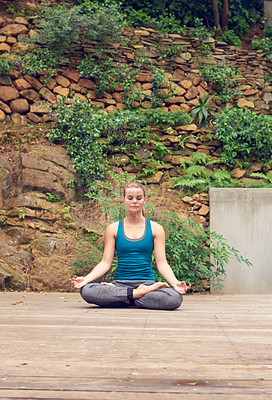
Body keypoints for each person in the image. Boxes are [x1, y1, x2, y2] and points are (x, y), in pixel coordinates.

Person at [70, 182, 191, 310]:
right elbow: (105, 263)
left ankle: (123, 299)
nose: (134, 202)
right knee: (87, 290)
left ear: (145, 200)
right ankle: (137, 294)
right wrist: (86, 279)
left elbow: (162, 263)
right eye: (130, 198)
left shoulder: (156, 229)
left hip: (147, 283)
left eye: (139, 198)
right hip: (120, 284)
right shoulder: (113, 228)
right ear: (123, 200)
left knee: (174, 298)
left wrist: (175, 283)